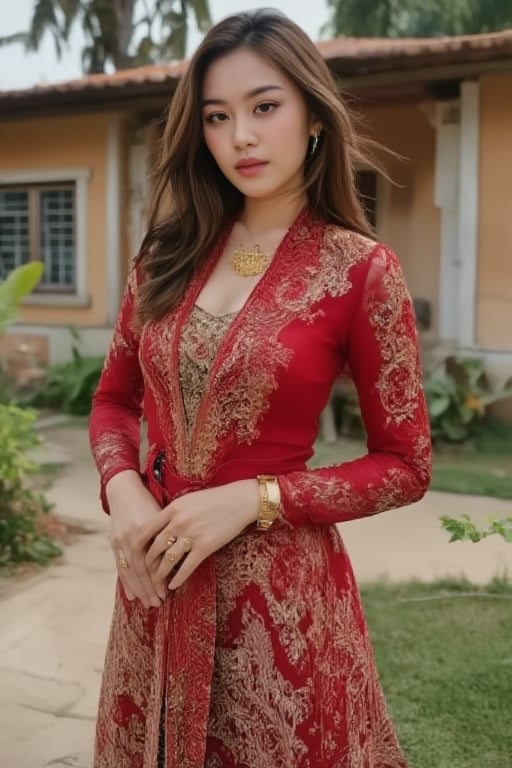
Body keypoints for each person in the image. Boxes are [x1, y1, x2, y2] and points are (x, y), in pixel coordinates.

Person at [89, 8, 432, 768]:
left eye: (264, 107)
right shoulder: (166, 256)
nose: (240, 135)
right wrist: (123, 491)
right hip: (156, 588)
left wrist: (257, 498)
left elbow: (406, 465)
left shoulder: (359, 270)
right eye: (217, 116)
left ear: (312, 114)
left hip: (279, 612)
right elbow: (114, 400)